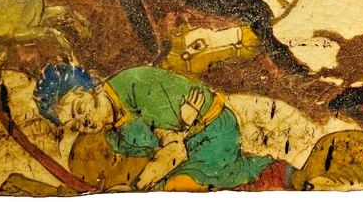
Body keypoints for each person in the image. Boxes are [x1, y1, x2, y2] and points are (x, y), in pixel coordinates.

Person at [34, 65, 273, 191]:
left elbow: (175, 150)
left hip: (212, 130)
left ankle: (279, 172)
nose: (84, 121)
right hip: (184, 144)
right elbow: (155, 153)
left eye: (79, 108)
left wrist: (135, 188)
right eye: (74, 124)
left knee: (179, 186)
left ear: (92, 85)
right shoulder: (115, 136)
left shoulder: (136, 85)